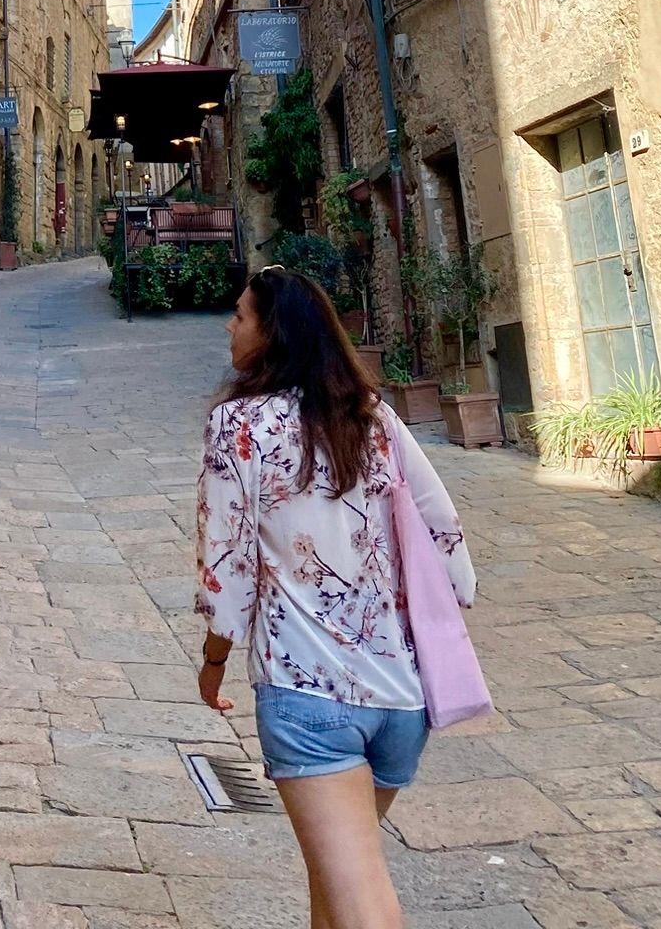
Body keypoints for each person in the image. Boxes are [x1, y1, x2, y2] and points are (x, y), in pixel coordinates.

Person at [196, 266, 476, 929]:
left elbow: (226, 570)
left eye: (240, 316)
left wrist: (213, 663)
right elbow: (444, 532)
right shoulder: (371, 415)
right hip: (402, 699)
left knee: (364, 909)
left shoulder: (238, 425)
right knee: (339, 887)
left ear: (272, 335)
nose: (230, 327)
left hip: (309, 697)